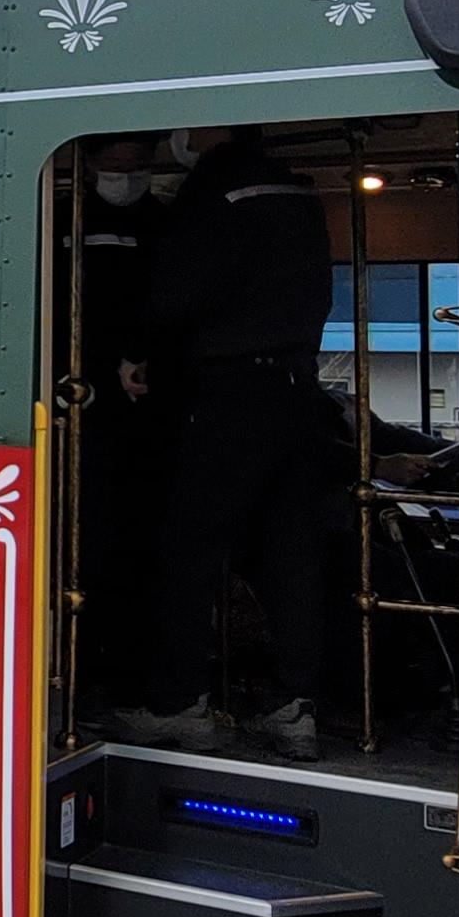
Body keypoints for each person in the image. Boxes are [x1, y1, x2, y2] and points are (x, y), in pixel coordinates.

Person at [116, 128, 336, 759]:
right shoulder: (300, 194)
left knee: (190, 547)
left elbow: (176, 293)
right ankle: (294, 706)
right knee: (291, 551)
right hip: (299, 387)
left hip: (230, 391)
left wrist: (140, 353)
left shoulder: (214, 189)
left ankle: (179, 702)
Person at [71, 146, 162, 711]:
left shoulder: (165, 222)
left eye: (135, 166)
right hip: (81, 407)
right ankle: (87, 670)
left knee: (139, 549)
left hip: (151, 416)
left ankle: (127, 677)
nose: (125, 178)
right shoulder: (67, 218)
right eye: (115, 166)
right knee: (88, 546)